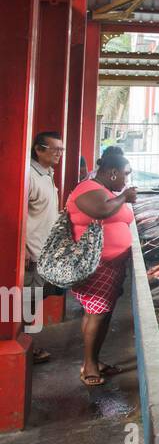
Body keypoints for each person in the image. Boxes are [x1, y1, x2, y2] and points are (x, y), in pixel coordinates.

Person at [66, 146, 136, 388]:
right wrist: (125, 197)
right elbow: (101, 210)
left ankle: (94, 358)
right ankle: (89, 365)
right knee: (97, 313)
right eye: (126, 174)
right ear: (113, 172)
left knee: (98, 313)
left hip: (110, 264)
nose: (127, 180)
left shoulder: (105, 189)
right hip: (97, 264)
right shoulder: (88, 189)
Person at [27, 131, 65, 363]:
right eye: (55, 149)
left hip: (46, 253)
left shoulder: (47, 174)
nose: (60, 154)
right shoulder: (29, 176)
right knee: (23, 301)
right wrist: (22, 252)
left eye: (61, 150)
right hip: (33, 254)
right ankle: (26, 346)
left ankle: (29, 344)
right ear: (39, 149)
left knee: (34, 300)